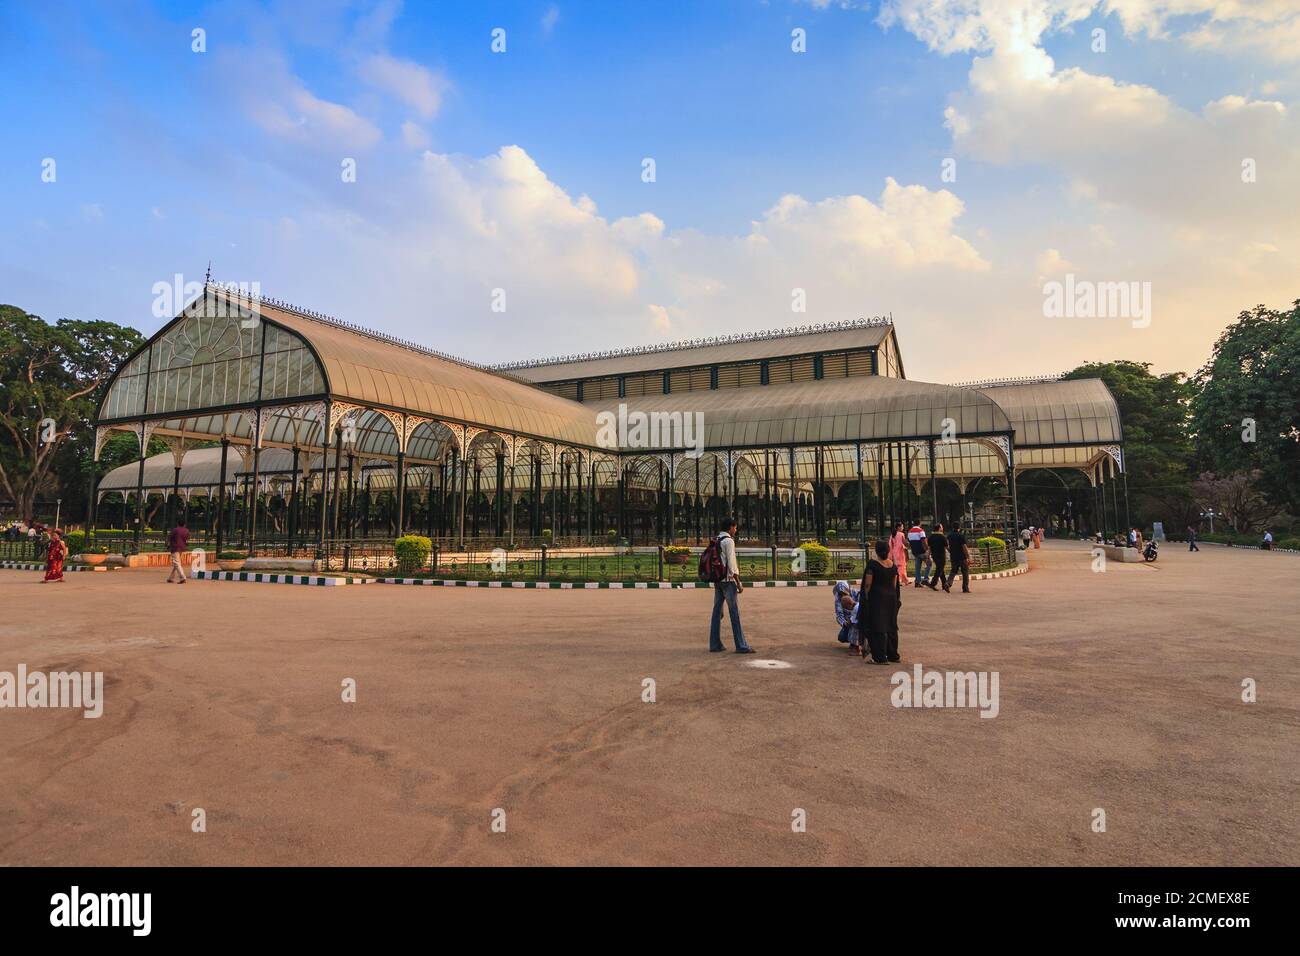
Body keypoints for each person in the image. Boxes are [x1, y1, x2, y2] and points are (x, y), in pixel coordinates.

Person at [708, 516, 754, 654]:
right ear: (730, 527)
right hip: (728, 581)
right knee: (734, 613)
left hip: (718, 580)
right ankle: (741, 645)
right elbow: (732, 564)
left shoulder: (716, 539)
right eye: (735, 527)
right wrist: (738, 582)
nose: (736, 529)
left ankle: (714, 644)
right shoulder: (729, 541)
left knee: (716, 612)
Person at [859, 540, 901, 664]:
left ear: (876, 551)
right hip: (891, 598)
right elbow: (894, 585)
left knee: (877, 627)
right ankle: (893, 655)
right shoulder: (892, 565)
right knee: (891, 626)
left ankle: (880, 657)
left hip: (877, 599)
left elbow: (868, 584)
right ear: (888, 551)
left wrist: (866, 599)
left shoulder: (873, 565)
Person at [832, 580, 859, 652]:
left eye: (844, 592)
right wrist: (845, 623)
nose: (843, 595)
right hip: (850, 620)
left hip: (860, 617)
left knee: (856, 627)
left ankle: (856, 646)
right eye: (841, 594)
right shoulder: (838, 599)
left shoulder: (858, 593)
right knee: (842, 637)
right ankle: (854, 642)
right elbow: (839, 614)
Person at [947, 524, 970, 593]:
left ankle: (948, 583)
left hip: (953, 556)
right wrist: (968, 556)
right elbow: (964, 547)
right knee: (965, 572)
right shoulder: (961, 536)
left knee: (953, 571)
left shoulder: (949, 536)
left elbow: (947, 545)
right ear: (959, 528)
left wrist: (951, 551)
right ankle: (965, 588)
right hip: (962, 557)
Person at [166, 519, 190, 584]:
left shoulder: (175, 530)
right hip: (182, 548)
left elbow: (169, 537)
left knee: (176, 563)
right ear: (184, 524)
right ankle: (170, 578)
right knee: (177, 563)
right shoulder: (187, 530)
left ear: (177, 524)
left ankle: (183, 578)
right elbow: (187, 539)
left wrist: (167, 544)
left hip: (175, 548)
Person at [908, 519, 930, 588]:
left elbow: (909, 542)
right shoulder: (921, 531)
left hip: (915, 551)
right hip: (922, 551)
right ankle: (926, 579)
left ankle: (917, 582)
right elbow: (924, 541)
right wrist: (927, 550)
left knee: (917, 567)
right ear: (919, 524)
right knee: (929, 563)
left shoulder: (909, 531)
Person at [927, 523, 949, 592]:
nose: (942, 528)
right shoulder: (942, 537)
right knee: (940, 568)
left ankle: (944, 585)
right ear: (939, 528)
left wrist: (928, 555)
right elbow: (947, 547)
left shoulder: (931, 537)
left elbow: (929, 548)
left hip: (934, 555)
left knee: (940, 569)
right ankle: (933, 583)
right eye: (941, 527)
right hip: (941, 555)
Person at [889, 521, 911, 586]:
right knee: (902, 566)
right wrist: (909, 544)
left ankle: (905, 580)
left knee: (898, 567)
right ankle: (899, 580)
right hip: (900, 552)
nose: (903, 528)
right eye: (902, 527)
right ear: (899, 527)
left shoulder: (892, 535)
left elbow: (890, 544)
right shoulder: (901, 534)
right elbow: (904, 543)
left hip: (894, 552)